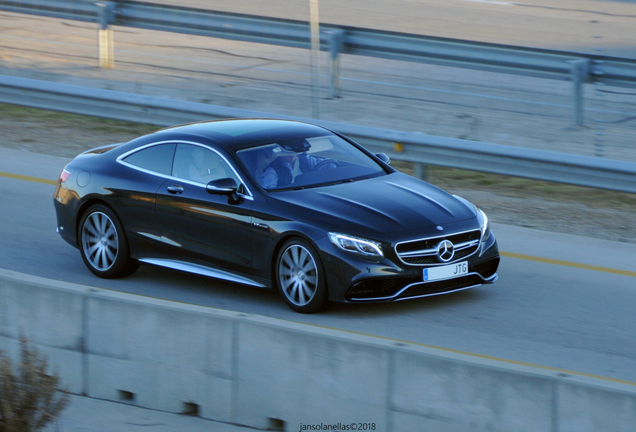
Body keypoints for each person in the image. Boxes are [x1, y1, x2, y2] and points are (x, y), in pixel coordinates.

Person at [260, 148, 335, 188]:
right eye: (287, 151)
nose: (292, 154)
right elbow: (269, 193)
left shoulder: (305, 160)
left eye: (293, 150)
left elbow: (329, 164)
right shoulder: (272, 171)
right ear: (280, 153)